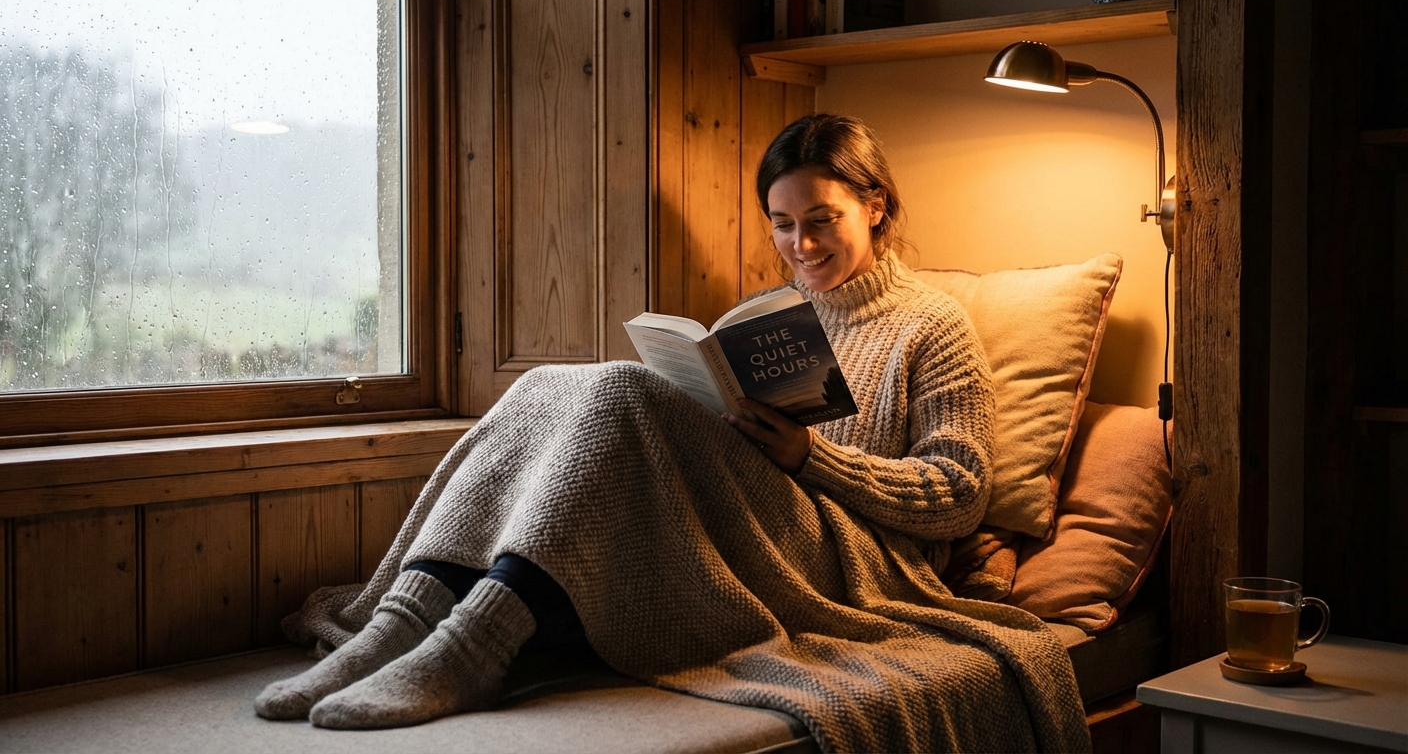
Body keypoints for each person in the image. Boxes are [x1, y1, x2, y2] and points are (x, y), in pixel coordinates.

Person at [254, 113, 1088, 752]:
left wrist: (813, 456)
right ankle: (406, 622)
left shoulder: (930, 324)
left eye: (822, 219)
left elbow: (959, 492)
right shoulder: (762, 323)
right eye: (782, 222)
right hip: (745, 518)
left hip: (854, 553)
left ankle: (474, 647)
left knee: (620, 389)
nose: (800, 243)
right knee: (550, 381)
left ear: (875, 206)